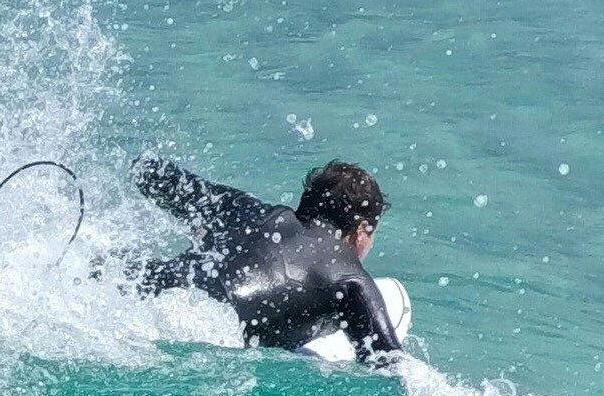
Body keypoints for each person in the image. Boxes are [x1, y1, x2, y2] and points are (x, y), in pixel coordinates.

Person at [131, 152, 410, 357]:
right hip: (209, 340)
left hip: (141, 299)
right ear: (361, 230)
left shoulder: (249, 212)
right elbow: (391, 365)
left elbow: (152, 175)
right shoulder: (351, 282)